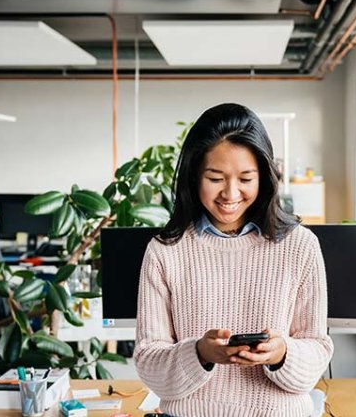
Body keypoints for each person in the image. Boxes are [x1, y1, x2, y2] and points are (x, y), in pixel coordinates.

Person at [133, 103, 334, 417]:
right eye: (215, 178)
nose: (230, 193)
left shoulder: (300, 245)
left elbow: (317, 349)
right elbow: (148, 361)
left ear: (265, 178)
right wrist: (200, 353)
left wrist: (281, 353)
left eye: (245, 178)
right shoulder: (164, 251)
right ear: (194, 176)